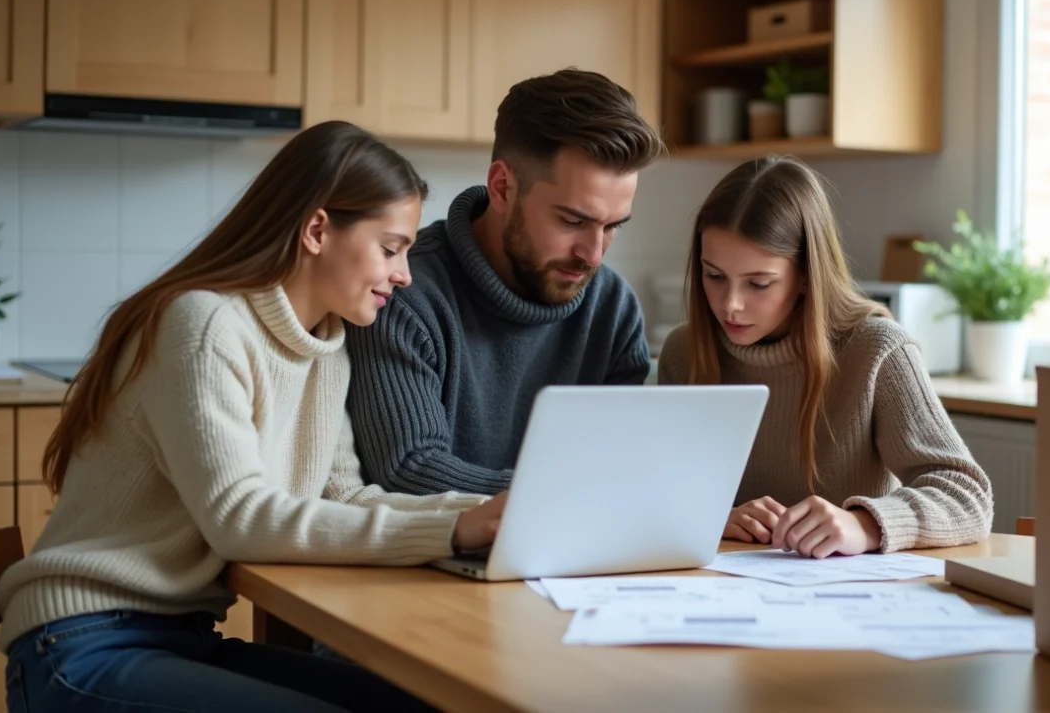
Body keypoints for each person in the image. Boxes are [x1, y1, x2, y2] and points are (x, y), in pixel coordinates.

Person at [0, 120, 506, 713]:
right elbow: (239, 518)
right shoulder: (205, 325)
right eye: (390, 249)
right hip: (80, 645)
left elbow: (343, 495)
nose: (404, 274)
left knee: (420, 702)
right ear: (317, 229)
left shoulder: (326, 348)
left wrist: (479, 514)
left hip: (179, 640)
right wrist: (450, 532)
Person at [347, 68, 664, 496]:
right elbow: (410, 467)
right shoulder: (402, 294)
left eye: (613, 227)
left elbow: (624, 464)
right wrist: (573, 496)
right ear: (502, 187)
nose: (593, 253)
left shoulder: (613, 307)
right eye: (573, 220)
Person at [658, 155, 993, 558]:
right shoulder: (684, 353)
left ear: (805, 276)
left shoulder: (877, 350)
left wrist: (864, 524)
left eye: (759, 284)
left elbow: (969, 498)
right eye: (714, 276)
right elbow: (659, 492)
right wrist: (710, 517)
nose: (730, 305)